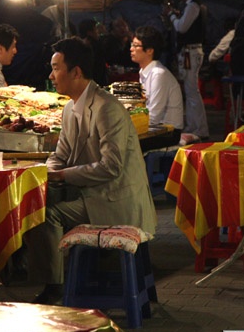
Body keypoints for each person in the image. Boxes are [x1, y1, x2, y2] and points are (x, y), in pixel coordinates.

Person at [26, 38, 157, 304]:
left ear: (76, 72)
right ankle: (52, 276)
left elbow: (111, 166)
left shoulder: (107, 108)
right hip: (92, 192)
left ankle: (55, 286)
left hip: (115, 198)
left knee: (45, 216)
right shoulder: (69, 108)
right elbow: (60, 154)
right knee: (34, 203)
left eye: (56, 68)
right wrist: (49, 172)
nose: (51, 76)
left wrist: (62, 175)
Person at [164, 0, 209, 145]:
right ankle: (196, 127)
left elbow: (181, 27)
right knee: (192, 92)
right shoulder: (196, 4)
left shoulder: (192, 6)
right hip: (193, 51)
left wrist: (171, 15)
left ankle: (198, 128)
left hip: (191, 52)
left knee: (191, 92)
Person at [130, 25, 184, 133]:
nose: (131, 49)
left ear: (150, 50)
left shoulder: (158, 74)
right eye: (132, 44)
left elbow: (154, 115)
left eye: (136, 45)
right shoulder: (144, 71)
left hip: (167, 132)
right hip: (154, 128)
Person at [78, 18, 108, 86]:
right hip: (96, 81)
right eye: (96, 29)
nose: (98, 32)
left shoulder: (79, 44)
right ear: (89, 32)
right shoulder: (94, 44)